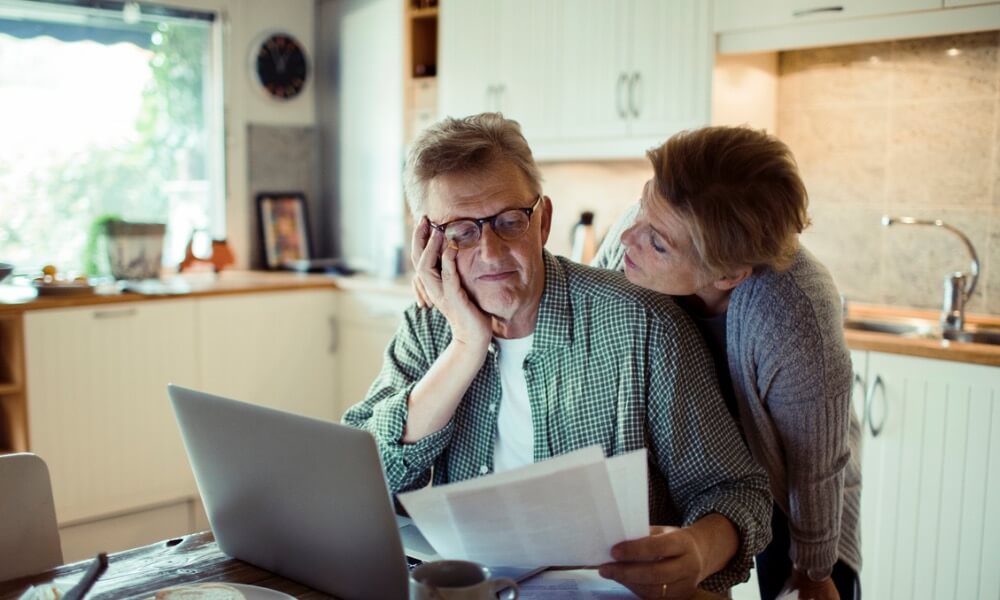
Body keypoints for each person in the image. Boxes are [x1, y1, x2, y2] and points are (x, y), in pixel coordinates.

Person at [343, 113, 772, 599]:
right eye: (461, 231)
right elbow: (359, 481)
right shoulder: (426, 327)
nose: (491, 253)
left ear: (543, 219)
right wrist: (465, 347)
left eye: (509, 222)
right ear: (427, 241)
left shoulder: (642, 324)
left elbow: (738, 492)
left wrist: (697, 548)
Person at [592, 125, 861, 600]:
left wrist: (814, 572)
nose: (628, 236)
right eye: (642, 204)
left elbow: (814, 466)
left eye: (658, 244)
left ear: (729, 274)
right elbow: (588, 303)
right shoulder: (640, 232)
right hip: (694, 463)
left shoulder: (796, 315)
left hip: (790, 477)